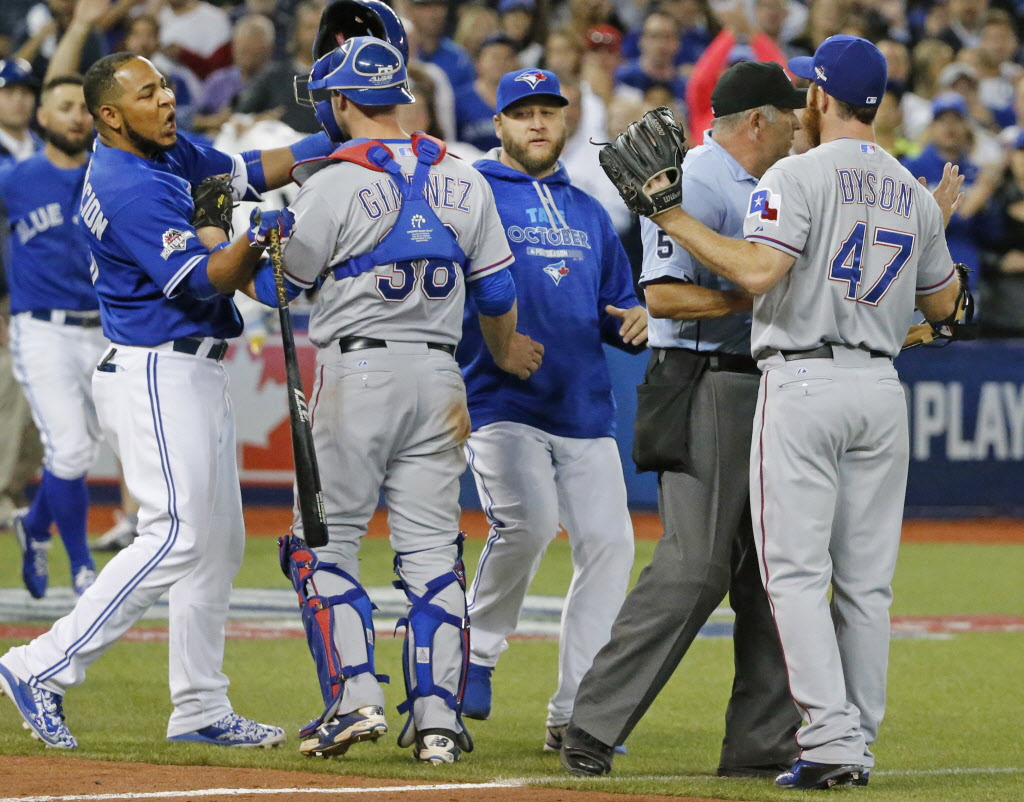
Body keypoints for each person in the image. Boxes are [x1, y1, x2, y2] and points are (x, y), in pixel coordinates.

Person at [624, 35, 963, 790]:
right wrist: (929, 227)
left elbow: (756, 268)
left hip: (805, 382)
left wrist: (670, 217)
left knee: (796, 575)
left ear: (817, 96)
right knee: (868, 584)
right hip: (881, 387)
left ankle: (832, 739)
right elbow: (945, 304)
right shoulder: (909, 190)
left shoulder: (794, 173)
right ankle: (859, 741)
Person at [0, 48, 339, 750]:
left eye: (163, 87)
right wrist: (254, 240)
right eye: (148, 93)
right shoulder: (128, 181)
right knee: (176, 533)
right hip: (157, 366)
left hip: (193, 367)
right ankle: (40, 666)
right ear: (109, 116)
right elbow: (203, 278)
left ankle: (199, 706)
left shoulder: (158, 150)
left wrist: (339, 136)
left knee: (217, 545)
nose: (166, 100)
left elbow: (242, 173)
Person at [275, 36, 542, 765]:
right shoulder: (463, 175)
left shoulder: (329, 183)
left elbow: (281, 283)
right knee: (432, 557)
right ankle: (437, 725)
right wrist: (500, 352)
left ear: (340, 102)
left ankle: (355, 696)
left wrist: (235, 239)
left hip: (357, 374)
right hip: (440, 376)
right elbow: (496, 293)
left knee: (320, 546)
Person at [560, 60, 805, 780]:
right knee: (696, 565)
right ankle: (592, 724)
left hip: (761, 383)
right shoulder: (694, 178)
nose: (798, 123)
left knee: (769, 577)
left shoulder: (770, 182)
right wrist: (760, 305)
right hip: (702, 380)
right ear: (756, 120)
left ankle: (762, 745)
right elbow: (664, 297)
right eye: (787, 112)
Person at [457, 67, 647, 753]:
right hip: (501, 398)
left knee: (611, 547)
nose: (538, 123)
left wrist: (629, 318)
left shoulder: (588, 210)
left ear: (565, 124)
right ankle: (474, 653)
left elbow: (611, 299)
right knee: (529, 524)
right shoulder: (475, 193)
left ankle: (578, 712)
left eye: (549, 111)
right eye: (522, 113)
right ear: (500, 125)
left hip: (584, 406)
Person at [3, 74, 103, 600]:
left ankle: (35, 527)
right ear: (42, 117)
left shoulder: (106, 176)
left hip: (102, 329)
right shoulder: (16, 178)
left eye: (82, 108)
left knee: (82, 453)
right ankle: (82, 564)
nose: (75, 117)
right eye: (63, 107)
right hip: (40, 328)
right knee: (68, 451)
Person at [0, 57, 45, 533]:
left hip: (45, 290)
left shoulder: (45, 148)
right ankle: (2, 494)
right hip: (6, 295)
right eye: (9, 90)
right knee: (8, 398)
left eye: (25, 91)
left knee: (35, 406)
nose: (19, 99)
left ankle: (12, 490)